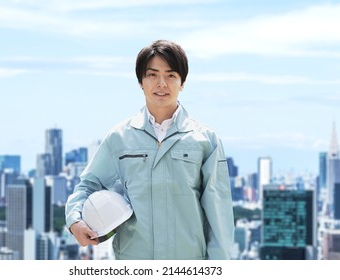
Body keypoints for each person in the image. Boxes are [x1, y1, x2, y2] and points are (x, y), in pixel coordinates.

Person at [65, 39, 235, 260]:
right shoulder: (119, 137)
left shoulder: (205, 140)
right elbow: (88, 185)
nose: (161, 83)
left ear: (182, 82)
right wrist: (75, 219)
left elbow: (218, 211)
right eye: (152, 75)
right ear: (141, 82)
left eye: (171, 75)